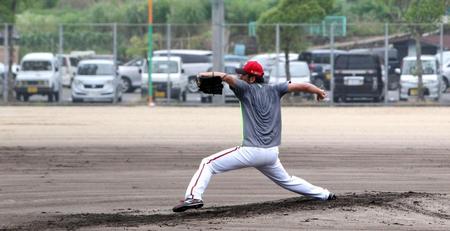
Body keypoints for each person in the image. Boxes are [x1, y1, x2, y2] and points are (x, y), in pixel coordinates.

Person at [173, 61, 335, 213]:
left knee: (208, 164)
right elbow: (304, 86)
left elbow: (226, 77)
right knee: (287, 180)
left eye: (243, 75)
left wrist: (206, 74)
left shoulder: (245, 88)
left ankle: (193, 197)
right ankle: (324, 194)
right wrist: (319, 91)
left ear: (251, 78)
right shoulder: (275, 89)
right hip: (271, 153)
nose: (240, 77)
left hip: (251, 152)